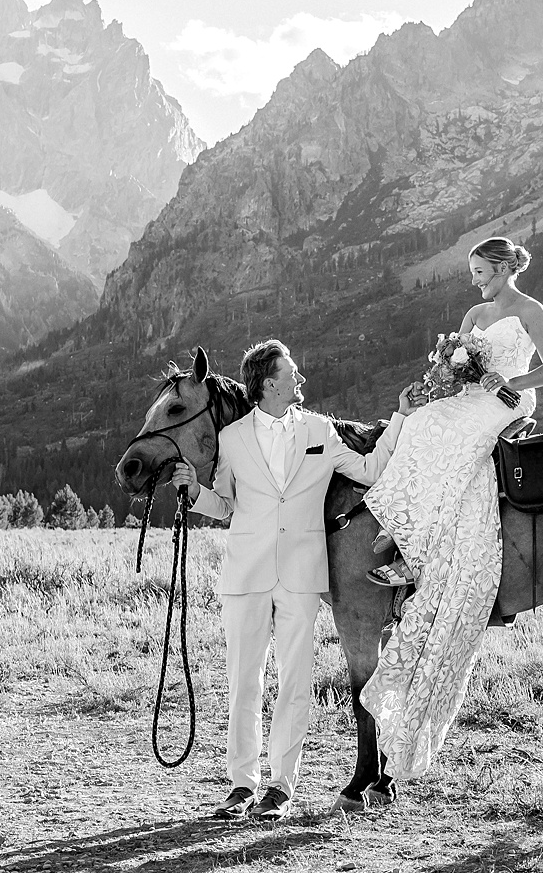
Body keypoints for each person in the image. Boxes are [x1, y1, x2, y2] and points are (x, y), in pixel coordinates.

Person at [358, 236, 543, 779]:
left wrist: (507, 381)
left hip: (509, 399)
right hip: (472, 396)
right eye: (472, 271)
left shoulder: (530, 310)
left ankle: (417, 543)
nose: (474, 279)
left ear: (502, 268)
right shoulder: (475, 312)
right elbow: (458, 369)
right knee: (423, 423)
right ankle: (407, 535)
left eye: (480, 270)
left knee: (448, 439)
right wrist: (439, 383)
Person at [171, 338, 398, 822]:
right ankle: (240, 785)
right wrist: (194, 490)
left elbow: (370, 468)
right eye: (292, 372)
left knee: (295, 682)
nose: (300, 379)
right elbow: (226, 505)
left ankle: (281, 787)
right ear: (270, 383)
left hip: (300, 574)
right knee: (243, 682)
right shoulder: (233, 438)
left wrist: (400, 417)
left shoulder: (319, 429)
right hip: (247, 574)